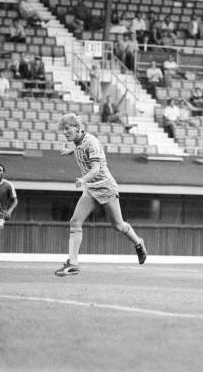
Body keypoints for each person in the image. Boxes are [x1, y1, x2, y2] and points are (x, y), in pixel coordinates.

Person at [54, 114, 147, 276]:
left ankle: (138, 243)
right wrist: (70, 151)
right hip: (91, 189)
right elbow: (79, 148)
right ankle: (73, 263)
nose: (65, 132)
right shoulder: (78, 141)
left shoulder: (92, 142)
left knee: (118, 226)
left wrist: (82, 180)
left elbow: (96, 169)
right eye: (63, 130)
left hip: (105, 187)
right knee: (75, 222)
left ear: (77, 127)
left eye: (67, 128)